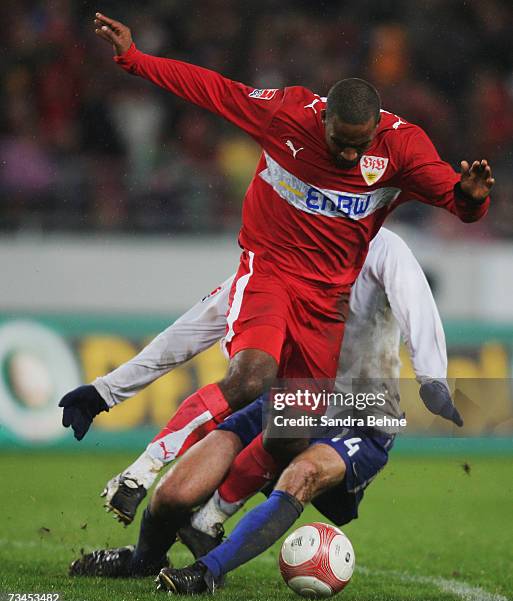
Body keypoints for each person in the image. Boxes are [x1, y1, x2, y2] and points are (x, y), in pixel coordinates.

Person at [62, 12, 492, 476]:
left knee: (291, 427)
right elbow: (212, 89)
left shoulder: (402, 149)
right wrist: (134, 59)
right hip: (267, 269)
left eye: (359, 146)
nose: (349, 155)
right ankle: (142, 471)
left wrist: (470, 197)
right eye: (340, 143)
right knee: (250, 377)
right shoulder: (286, 115)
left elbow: (458, 201)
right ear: (324, 116)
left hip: (324, 302)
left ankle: (210, 516)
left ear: (375, 131)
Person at [69, 228, 462, 585]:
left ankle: (205, 572)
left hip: (360, 415)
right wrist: (105, 391)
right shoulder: (277, 257)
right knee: (174, 495)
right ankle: (143, 562)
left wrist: (432, 378)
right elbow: (192, 329)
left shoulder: (383, 248)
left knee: (304, 473)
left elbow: (416, 304)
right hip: (286, 401)